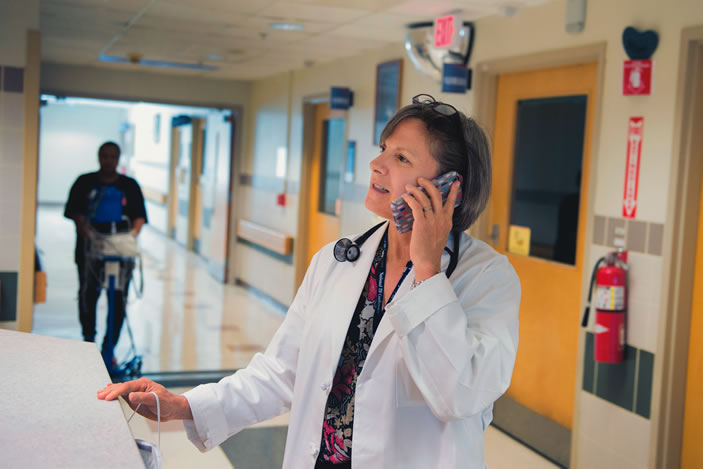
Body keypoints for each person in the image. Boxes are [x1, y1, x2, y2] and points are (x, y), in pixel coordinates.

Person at [98, 95, 520, 469]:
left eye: (402, 159)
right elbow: (283, 371)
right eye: (383, 150)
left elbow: (460, 395)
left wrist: (427, 271)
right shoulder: (338, 260)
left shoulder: (484, 278)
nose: (377, 165)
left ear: (449, 189)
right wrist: (184, 405)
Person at [65, 141, 147, 355]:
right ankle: (88, 341)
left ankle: (109, 348)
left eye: (113, 156)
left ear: (118, 159)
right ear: (98, 157)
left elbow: (139, 217)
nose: (108, 160)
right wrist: (89, 233)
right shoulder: (84, 183)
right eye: (104, 156)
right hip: (88, 250)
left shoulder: (130, 186)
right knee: (87, 296)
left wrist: (127, 240)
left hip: (121, 254)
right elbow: (75, 212)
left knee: (118, 300)